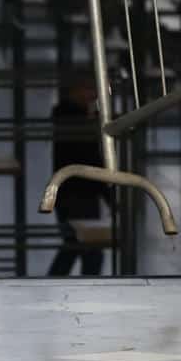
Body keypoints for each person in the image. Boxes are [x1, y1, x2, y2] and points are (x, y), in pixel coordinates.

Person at [47, 78, 112, 277]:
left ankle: (52, 284)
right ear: (75, 91)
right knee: (88, 250)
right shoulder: (77, 123)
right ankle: (84, 289)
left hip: (69, 192)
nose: (94, 95)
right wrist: (110, 196)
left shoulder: (67, 116)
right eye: (89, 88)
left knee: (74, 245)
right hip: (81, 193)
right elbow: (91, 159)